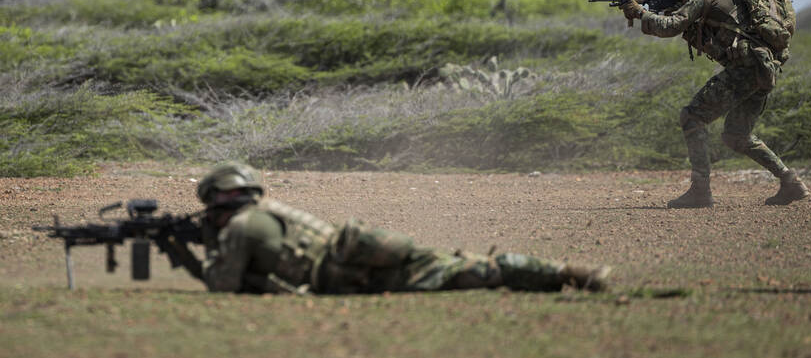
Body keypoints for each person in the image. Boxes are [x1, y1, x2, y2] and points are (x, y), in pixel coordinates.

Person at [173, 163, 610, 295]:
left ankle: (569, 274)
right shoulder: (272, 209)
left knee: (471, 273)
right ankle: (567, 271)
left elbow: (224, 285)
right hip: (359, 250)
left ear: (215, 199)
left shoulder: (239, 229)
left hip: (350, 272)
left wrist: (195, 254)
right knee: (461, 265)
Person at [619, 0, 809, 208]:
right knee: (736, 135)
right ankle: (790, 181)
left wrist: (641, 12)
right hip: (763, 69)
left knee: (692, 117)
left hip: (745, 69)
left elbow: (670, 27)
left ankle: (700, 191)